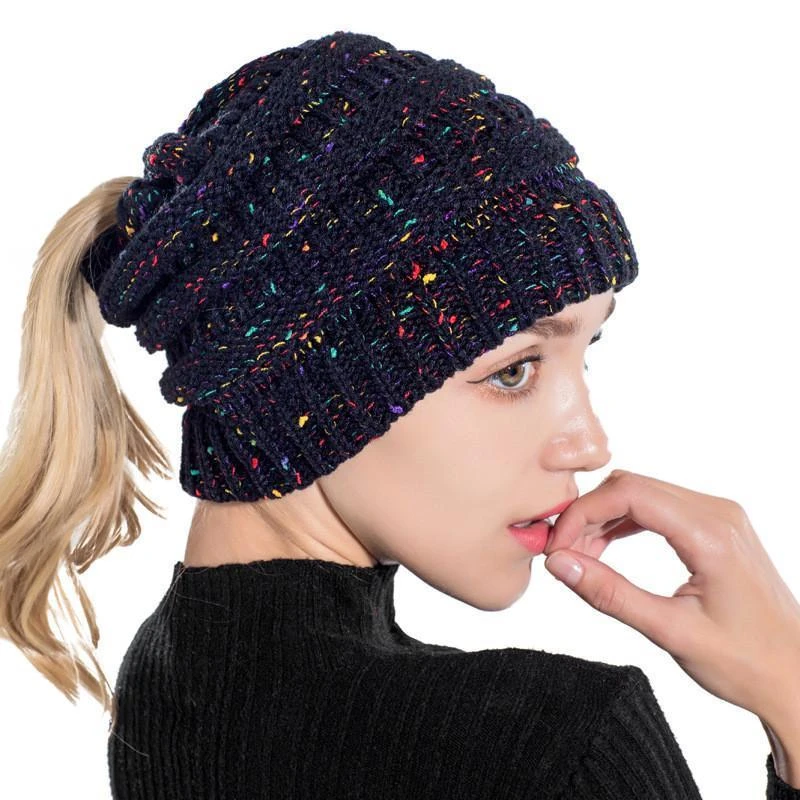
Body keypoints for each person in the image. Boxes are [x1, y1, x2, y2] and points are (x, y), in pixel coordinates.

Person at [0, 28, 798, 799]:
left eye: (585, 354)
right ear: (310, 385)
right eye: (514, 370)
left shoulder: (162, 691)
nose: (589, 443)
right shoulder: (551, 747)